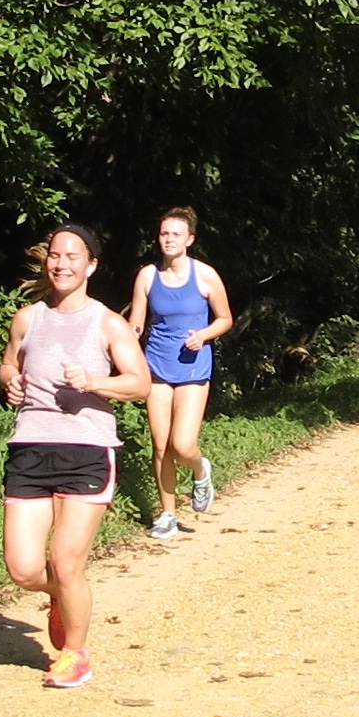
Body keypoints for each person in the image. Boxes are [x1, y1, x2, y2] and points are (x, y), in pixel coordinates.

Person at [0, 222, 152, 688]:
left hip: (87, 449)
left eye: (72, 256)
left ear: (91, 266)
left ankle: (75, 654)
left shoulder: (107, 323)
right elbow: (10, 360)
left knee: (68, 562)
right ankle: (64, 597)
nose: (62, 264)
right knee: (24, 569)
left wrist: (94, 383)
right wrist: (9, 379)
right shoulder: (28, 318)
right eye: (55, 255)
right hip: (30, 445)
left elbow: (140, 382)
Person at [125, 206, 233, 540]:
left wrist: (203, 335)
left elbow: (225, 319)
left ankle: (201, 471)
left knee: (183, 445)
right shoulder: (147, 276)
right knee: (161, 447)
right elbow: (138, 322)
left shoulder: (205, 276)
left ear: (189, 239)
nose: (168, 239)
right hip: (156, 367)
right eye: (163, 233)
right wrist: (124, 334)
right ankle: (167, 514)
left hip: (192, 367)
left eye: (175, 234)